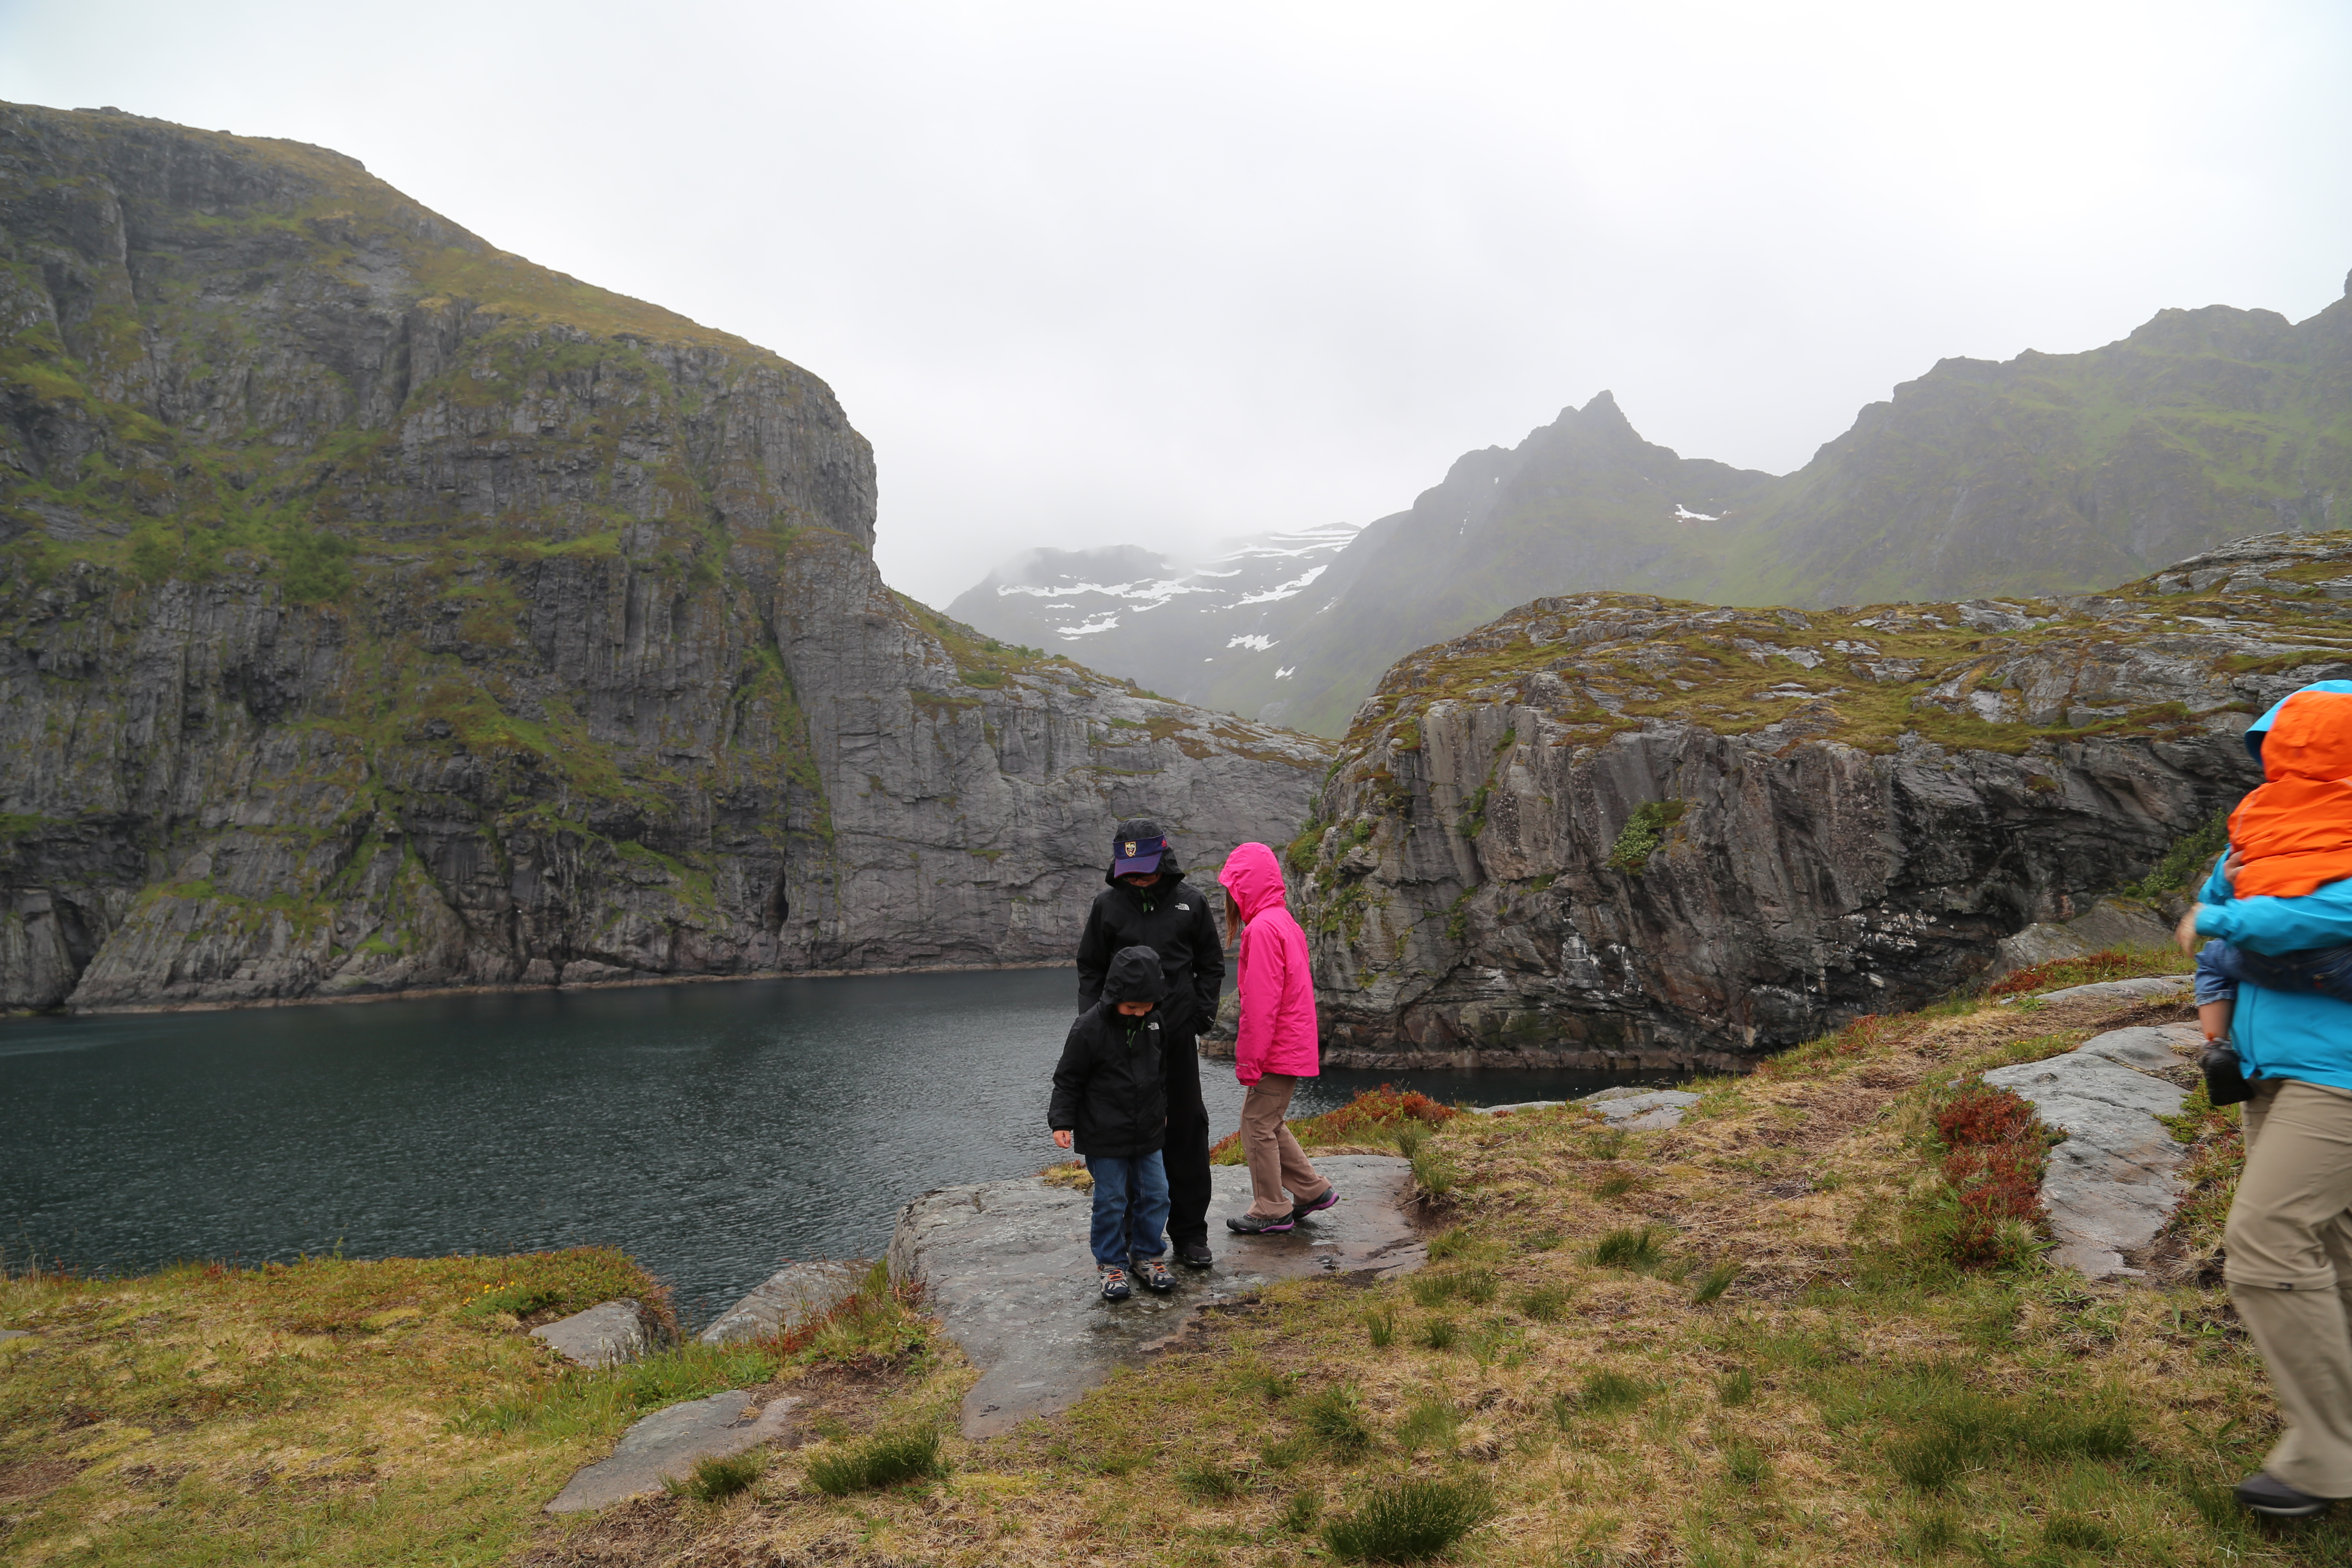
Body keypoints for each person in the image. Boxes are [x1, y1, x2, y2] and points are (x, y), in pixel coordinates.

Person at [2175, 680, 2352, 1517]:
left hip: (2343, 1077)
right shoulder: (2263, 830)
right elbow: (2216, 921)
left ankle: (2325, 1461)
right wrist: (2221, 1043)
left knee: (2266, 1240)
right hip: (2268, 1070)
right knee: (2336, 1250)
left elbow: (2271, 920)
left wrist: (2228, 921)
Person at [1076, 819, 1225, 1268]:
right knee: (1123, 1134)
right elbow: (1090, 970)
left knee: (1185, 1129)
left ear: (1164, 857)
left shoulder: (1191, 904)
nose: (1137, 876)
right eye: (1130, 868)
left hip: (1176, 1037)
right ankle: (1125, 1239)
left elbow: (1211, 965)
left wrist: (1200, 1015)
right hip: (1120, 1043)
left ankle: (1190, 1234)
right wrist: (1093, 1024)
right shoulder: (1107, 907)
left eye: (1145, 867)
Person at [1215, 841, 1336, 1234]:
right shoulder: (1284, 921)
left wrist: (1249, 1061)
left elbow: (1261, 1005)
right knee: (1268, 1119)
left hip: (1277, 1048)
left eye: (1232, 889)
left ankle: (1271, 1207)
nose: (1230, 898)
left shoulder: (1263, 929)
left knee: (1256, 1125)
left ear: (1244, 888)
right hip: (1293, 1043)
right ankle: (1311, 1190)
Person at [1049, 945, 1179, 1301]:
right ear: (1115, 996)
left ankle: (1148, 1256)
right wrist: (1062, 1121)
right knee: (1111, 1199)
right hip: (1103, 1132)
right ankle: (1110, 1264)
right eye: (1131, 1007)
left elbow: (1160, 1072)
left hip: (1148, 1128)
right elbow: (1068, 1079)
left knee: (1156, 1194)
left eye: (1146, 1006)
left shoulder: (1154, 1021)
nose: (1139, 1013)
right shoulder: (1089, 1027)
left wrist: (1162, 1107)